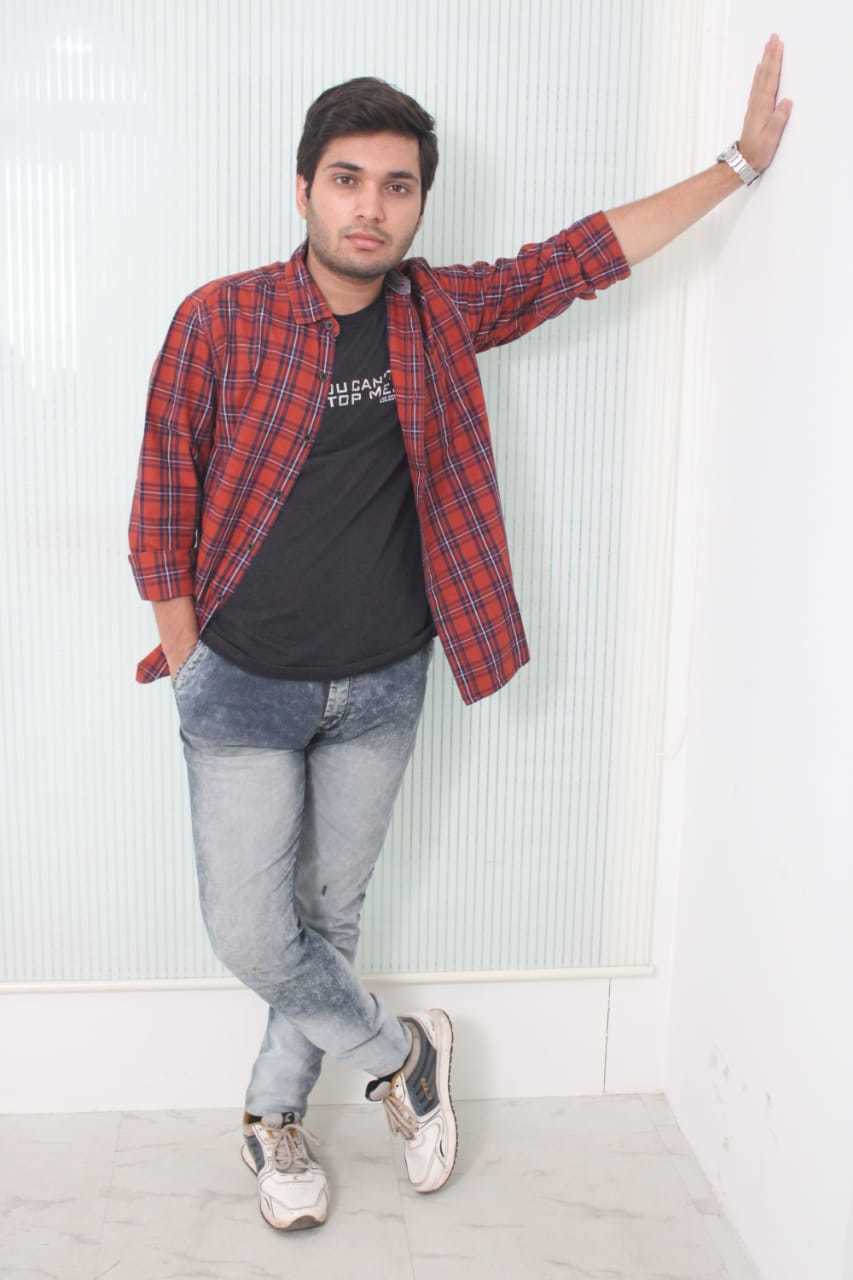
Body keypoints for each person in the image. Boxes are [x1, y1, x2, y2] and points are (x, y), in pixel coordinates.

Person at [127, 48, 790, 1233]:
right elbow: (160, 508)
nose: (370, 207)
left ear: (420, 203)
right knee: (251, 928)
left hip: (382, 683)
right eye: (347, 180)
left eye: (396, 186)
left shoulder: (439, 311)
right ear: (302, 190)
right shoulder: (219, 319)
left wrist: (737, 165)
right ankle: (403, 1055)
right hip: (240, 683)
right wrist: (189, 663)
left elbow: (581, 258)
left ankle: (275, 1117)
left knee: (328, 919)